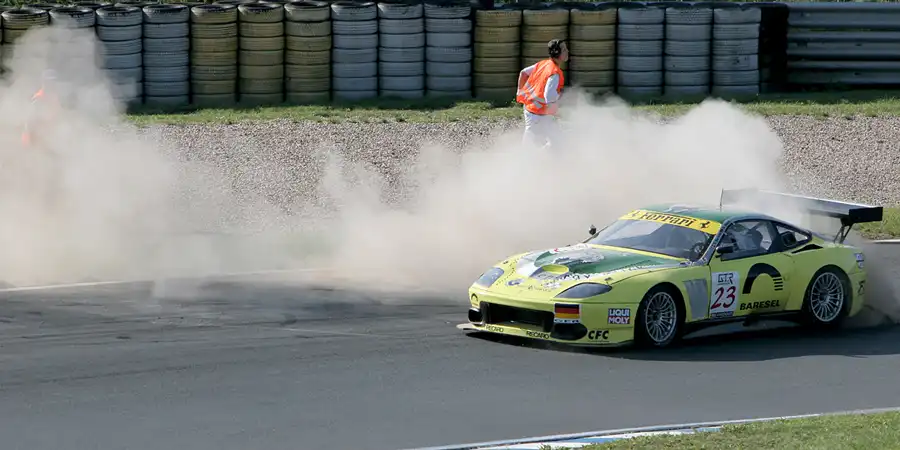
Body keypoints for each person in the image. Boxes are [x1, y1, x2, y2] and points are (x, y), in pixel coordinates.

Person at [515, 39, 569, 149]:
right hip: (540, 113)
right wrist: (555, 109)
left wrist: (519, 92)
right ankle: (531, 161)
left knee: (535, 141)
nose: (567, 51)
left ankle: (532, 160)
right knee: (556, 143)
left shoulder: (542, 64)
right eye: (564, 49)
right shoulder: (554, 73)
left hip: (530, 108)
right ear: (557, 53)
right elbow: (548, 96)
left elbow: (523, 73)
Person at [22, 69, 63, 148]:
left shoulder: (54, 97)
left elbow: (58, 117)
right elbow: (30, 124)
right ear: (43, 82)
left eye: (53, 82)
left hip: (49, 140)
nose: (51, 84)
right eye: (49, 82)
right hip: (36, 142)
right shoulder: (38, 99)